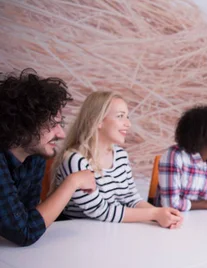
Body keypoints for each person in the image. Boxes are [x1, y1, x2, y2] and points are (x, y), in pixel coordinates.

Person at [53, 91, 182, 228]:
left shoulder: (121, 156)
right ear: (96, 121)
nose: (128, 124)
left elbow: (132, 199)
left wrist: (162, 214)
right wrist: (154, 214)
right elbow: (100, 210)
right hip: (78, 233)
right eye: (120, 116)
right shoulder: (76, 160)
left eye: (127, 117)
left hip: (111, 231)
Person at [0, 69, 97, 246]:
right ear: (22, 126)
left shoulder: (35, 158)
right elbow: (25, 232)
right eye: (51, 125)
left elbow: (30, 215)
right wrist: (72, 182)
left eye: (59, 124)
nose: (61, 133)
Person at [158, 105, 207, 212]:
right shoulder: (175, 156)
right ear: (202, 139)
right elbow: (170, 204)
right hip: (172, 221)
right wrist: (205, 204)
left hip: (198, 220)